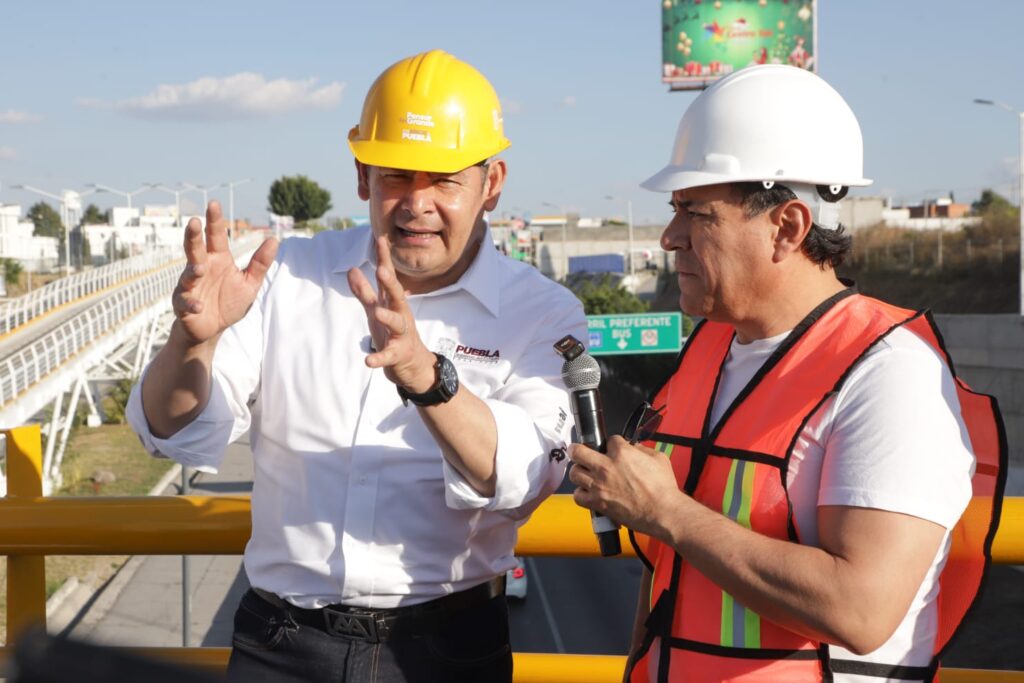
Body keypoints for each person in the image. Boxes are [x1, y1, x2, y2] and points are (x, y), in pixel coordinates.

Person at [127, 49, 586, 682]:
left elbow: (527, 477)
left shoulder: (542, 311)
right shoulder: (284, 275)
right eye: (396, 175)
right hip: (280, 646)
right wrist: (191, 342)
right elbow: (171, 428)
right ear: (362, 177)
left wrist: (426, 376)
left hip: (448, 650)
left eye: (445, 179)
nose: (417, 202)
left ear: (494, 183)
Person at [568, 65, 1005, 682]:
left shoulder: (891, 377)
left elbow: (861, 609)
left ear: (788, 226)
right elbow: (670, 577)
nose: (670, 237)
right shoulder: (711, 351)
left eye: (697, 213)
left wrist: (667, 511)